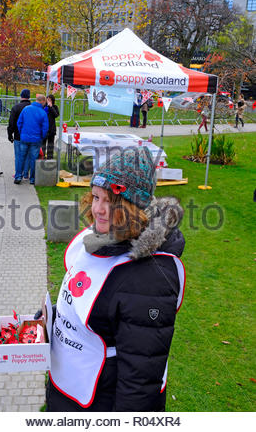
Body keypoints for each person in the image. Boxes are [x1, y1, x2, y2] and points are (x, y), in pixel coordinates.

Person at [41, 147, 186, 412]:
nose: (98, 209)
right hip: (69, 390)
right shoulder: (98, 240)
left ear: (133, 207)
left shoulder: (150, 277)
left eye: (111, 202)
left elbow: (140, 381)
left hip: (100, 402)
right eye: (95, 197)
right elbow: (92, 299)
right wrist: (50, 318)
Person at [15, 94, 49, 185]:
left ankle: (18, 176)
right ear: (43, 101)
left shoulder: (26, 109)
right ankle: (32, 179)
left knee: (21, 158)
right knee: (33, 159)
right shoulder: (42, 112)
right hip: (36, 139)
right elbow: (45, 128)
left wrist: (22, 133)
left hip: (24, 137)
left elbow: (19, 122)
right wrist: (41, 136)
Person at [7, 89, 31, 180]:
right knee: (28, 155)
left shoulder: (16, 107)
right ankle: (26, 174)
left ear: (21, 96)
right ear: (28, 97)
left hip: (18, 135)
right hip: (30, 136)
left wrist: (10, 135)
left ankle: (18, 174)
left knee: (19, 156)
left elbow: (11, 123)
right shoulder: (33, 107)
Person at [42, 94, 59, 159]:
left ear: (52, 100)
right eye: (47, 99)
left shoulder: (55, 107)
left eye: (50, 100)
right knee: (43, 144)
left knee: (50, 144)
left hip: (51, 129)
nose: (48, 101)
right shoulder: (44, 107)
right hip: (44, 129)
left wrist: (51, 107)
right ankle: (42, 156)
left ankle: (50, 157)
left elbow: (56, 115)